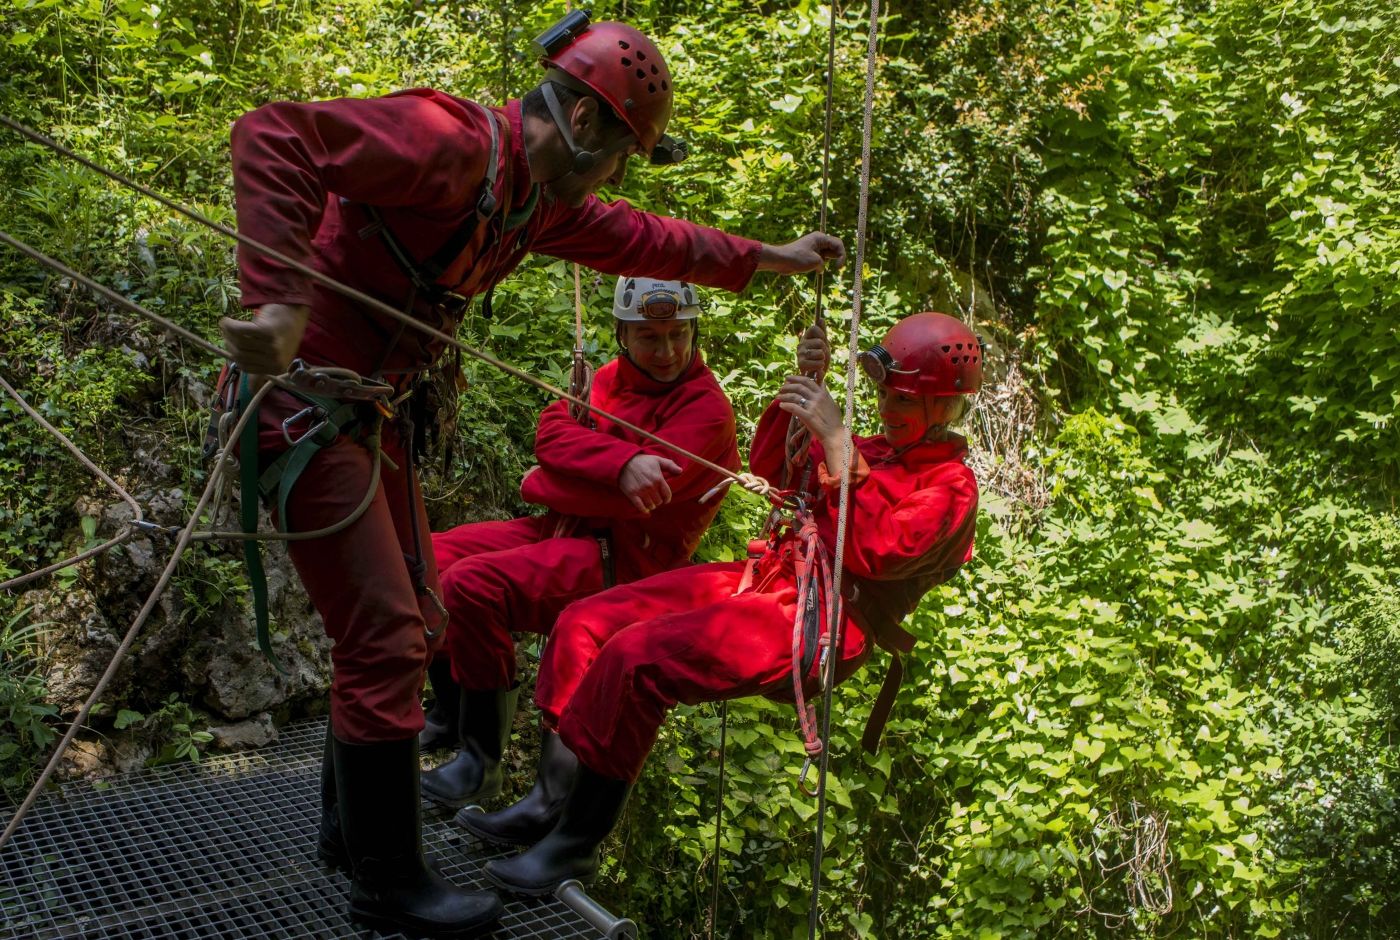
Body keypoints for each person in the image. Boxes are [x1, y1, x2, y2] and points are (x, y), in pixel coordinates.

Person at [219, 12, 844, 937]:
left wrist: (768, 259)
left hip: (363, 414)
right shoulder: (455, 144)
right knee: (391, 636)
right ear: (585, 125)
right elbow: (276, 134)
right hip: (308, 410)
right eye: (623, 151)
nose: (620, 177)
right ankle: (387, 884)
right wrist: (279, 296)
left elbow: (652, 241)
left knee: (418, 615)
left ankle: (352, 838)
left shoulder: (530, 200)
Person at [477, 312, 984, 896]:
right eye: (884, 393)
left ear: (946, 408)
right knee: (586, 620)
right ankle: (549, 801)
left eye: (905, 399)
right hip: (767, 577)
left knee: (638, 657)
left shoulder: (951, 488)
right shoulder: (874, 449)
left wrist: (839, 445)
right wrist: (801, 397)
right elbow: (772, 467)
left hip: (820, 619)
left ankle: (574, 847)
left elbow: (875, 553)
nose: (888, 406)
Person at [420, 276, 740, 816]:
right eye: (648, 337)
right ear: (621, 334)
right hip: (565, 528)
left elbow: (627, 504)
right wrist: (620, 465)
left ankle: (482, 759)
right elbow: (550, 432)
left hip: (625, 558)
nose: (666, 351)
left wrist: (542, 482)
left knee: (471, 585)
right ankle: (453, 714)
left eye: (677, 334)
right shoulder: (606, 380)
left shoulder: (705, 411)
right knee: (428, 557)